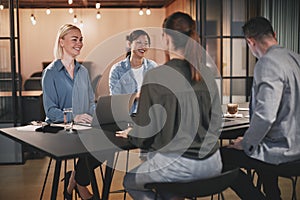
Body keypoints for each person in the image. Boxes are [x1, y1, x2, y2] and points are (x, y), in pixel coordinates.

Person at [116, 12, 223, 199]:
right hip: (213, 163)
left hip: (179, 166)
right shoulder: (206, 73)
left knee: (130, 181)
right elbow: (216, 122)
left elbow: (144, 134)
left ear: (165, 38)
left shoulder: (156, 76)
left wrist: (132, 133)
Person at [220, 16, 300, 200]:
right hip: (296, 147)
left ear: (250, 41)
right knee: (259, 147)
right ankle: (274, 196)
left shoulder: (267, 63)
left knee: (222, 157)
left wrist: (245, 143)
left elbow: (265, 117)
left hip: (283, 152)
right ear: (274, 35)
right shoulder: (296, 58)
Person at [42, 24, 96, 200]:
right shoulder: (50, 73)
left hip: (83, 129)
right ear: (62, 42)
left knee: (109, 144)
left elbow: (90, 102)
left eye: (81, 40)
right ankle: (81, 185)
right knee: (92, 146)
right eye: (75, 39)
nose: (79, 43)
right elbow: (51, 112)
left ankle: (74, 179)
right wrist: (75, 116)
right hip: (61, 132)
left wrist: (95, 116)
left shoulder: (84, 71)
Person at [109, 29, 157, 114]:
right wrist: (135, 96)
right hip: (126, 118)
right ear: (129, 44)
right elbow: (115, 100)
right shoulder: (117, 70)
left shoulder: (153, 67)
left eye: (146, 43)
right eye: (139, 42)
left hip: (149, 116)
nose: (143, 46)